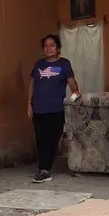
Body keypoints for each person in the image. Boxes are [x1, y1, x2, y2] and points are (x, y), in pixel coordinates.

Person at [27, 34, 80, 183]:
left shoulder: (64, 64)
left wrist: (76, 91)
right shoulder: (38, 64)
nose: (48, 48)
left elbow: (71, 81)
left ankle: (46, 166)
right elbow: (32, 84)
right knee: (41, 139)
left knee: (53, 137)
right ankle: (44, 170)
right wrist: (28, 103)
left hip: (56, 109)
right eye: (46, 46)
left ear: (58, 48)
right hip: (38, 109)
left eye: (52, 45)